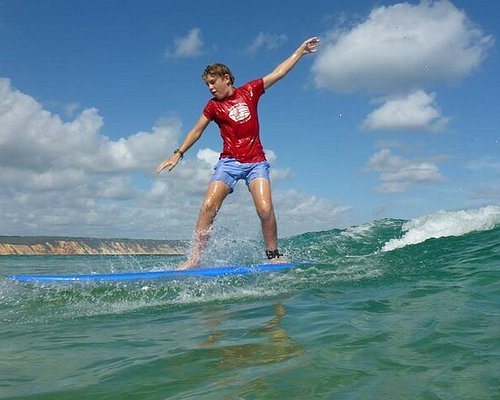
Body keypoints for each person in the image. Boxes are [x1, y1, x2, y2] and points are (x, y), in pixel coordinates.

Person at [156, 37, 320, 269]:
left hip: (256, 162)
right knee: (208, 207)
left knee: (265, 209)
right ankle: (194, 259)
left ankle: (273, 255)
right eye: (207, 85)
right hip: (228, 162)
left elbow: (278, 73)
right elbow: (197, 130)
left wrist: (300, 52)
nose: (211, 87)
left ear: (226, 79)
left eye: (213, 82)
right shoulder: (213, 106)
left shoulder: (250, 91)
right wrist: (178, 153)